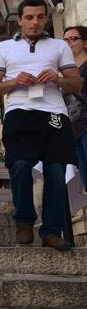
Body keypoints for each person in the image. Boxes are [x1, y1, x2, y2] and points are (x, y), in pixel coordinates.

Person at [0, 0, 81, 250]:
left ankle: (51, 232)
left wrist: (58, 79)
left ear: (46, 19)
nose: (35, 22)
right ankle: (25, 220)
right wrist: (14, 81)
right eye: (29, 17)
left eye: (40, 17)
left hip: (54, 113)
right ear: (19, 20)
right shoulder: (3, 48)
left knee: (56, 172)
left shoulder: (60, 46)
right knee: (20, 164)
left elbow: (76, 84)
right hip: (19, 112)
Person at [63, 26, 87, 189]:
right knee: (85, 180)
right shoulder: (64, 72)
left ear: (85, 43)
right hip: (74, 131)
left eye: (73, 39)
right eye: (65, 40)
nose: (68, 43)